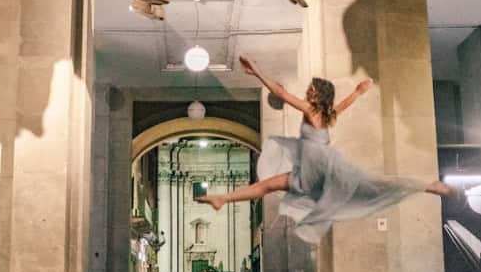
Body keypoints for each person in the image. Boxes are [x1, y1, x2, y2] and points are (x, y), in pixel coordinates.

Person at [195, 56, 459, 243]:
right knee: (374, 183)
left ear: (317, 96)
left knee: (269, 186)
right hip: (312, 169)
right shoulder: (329, 115)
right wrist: (358, 91)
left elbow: (281, 93)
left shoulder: (312, 111)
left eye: (310, 91)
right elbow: (343, 105)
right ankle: (223, 199)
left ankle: (429, 185)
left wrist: (257, 71)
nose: (307, 94)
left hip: (320, 168)